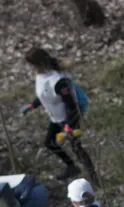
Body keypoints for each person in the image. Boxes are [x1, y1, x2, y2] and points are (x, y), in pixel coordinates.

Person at [19, 48, 98, 183]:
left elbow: (72, 105)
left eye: (31, 65)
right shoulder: (41, 77)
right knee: (49, 143)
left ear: (38, 64)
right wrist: (32, 105)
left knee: (76, 147)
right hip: (56, 118)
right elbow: (45, 96)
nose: (30, 68)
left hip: (69, 116)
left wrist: (69, 125)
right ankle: (71, 167)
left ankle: (94, 178)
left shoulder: (58, 81)